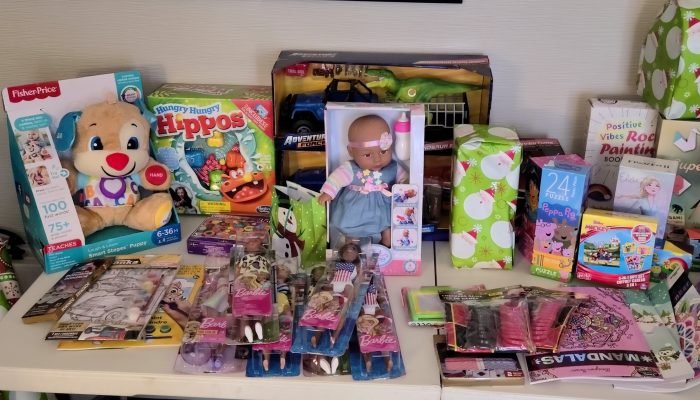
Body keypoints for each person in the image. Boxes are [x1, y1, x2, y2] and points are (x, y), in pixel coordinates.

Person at [318, 114, 407, 247]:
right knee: (353, 237)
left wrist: (405, 184)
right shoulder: (351, 169)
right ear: (351, 151)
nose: (377, 159)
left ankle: (385, 250)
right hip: (356, 211)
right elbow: (335, 180)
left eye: (383, 152)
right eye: (367, 154)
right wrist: (328, 193)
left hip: (383, 211)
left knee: (390, 233)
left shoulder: (392, 167)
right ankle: (352, 251)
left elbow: (404, 179)